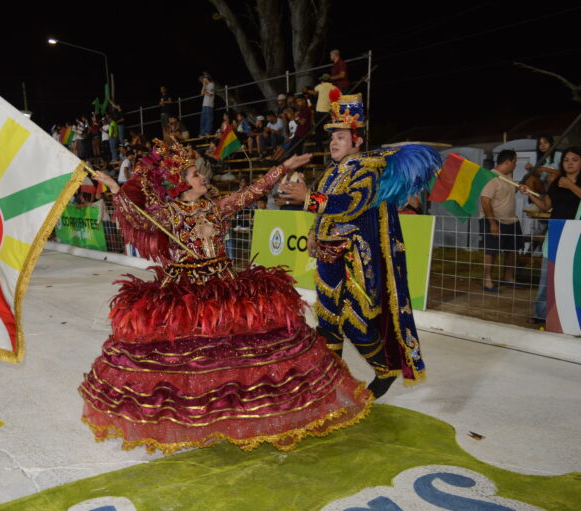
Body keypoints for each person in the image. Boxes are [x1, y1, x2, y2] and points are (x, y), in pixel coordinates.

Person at [81, 141, 372, 454]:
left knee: (240, 357)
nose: (204, 178)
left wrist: (283, 169)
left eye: (202, 174)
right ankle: (202, 421)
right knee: (195, 360)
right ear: (181, 184)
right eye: (196, 175)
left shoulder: (215, 207)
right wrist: (114, 188)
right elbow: (137, 219)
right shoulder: (168, 214)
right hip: (187, 294)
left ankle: (238, 416)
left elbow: (251, 192)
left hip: (226, 286)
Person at [279, 92, 439, 399]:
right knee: (326, 324)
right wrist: (313, 232)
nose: (334, 143)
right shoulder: (331, 172)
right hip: (328, 259)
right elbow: (326, 213)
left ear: (357, 141)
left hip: (358, 263)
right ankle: (327, 382)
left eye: (341, 137)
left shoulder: (368, 169)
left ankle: (385, 369)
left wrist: (309, 198)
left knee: (357, 325)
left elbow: (352, 204)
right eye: (332, 138)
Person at [520, 147, 581, 322]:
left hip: (577, 234)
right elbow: (546, 205)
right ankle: (540, 314)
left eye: (574, 159)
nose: (569, 162)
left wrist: (571, 185)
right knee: (548, 274)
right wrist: (530, 195)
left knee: (575, 275)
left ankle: (572, 314)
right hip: (556, 232)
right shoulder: (556, 182)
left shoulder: (571, 182)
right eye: (566, 159)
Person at [479, 150, 522, 292]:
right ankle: (487, 281)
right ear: (508, 162)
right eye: (515, 161)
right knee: (491, 250)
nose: (516, 165)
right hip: (495, 219)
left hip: (511, 219)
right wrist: (492, 223)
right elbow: (485, 200)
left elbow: (506, 194)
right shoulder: (491, 177)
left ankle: (509, 278)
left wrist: (520, 188)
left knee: (513, 249)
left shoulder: (508, 176)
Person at [312, 74, 337, 149]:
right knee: (328, 128)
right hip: (330, 112)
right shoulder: (334, 88)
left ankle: (318, 146)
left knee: (318, 129)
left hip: (320, 110)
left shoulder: (320, 86)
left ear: (322, 80)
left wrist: (308, 91)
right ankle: (328, 141)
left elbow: (315, 92)